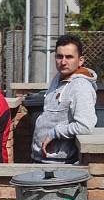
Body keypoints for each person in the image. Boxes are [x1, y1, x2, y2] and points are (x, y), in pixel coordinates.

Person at [32, 34, 98, 164]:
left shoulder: (80, 86)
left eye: (69, 57)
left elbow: (85, 126)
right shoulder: (58, 77)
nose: (63, 62)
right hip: (42, 159)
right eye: (59, 56)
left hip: (59, 165)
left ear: (80, 60)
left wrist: (54, 133)